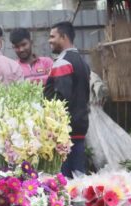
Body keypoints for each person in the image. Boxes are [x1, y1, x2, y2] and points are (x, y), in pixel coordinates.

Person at [44, 21, 90, 178]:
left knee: (64, 178)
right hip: (80, 124)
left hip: (65, 129)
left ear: (63, 37)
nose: (50, 40)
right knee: (78, 174)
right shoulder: (82, 62)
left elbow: (61, 99)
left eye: (52, 36)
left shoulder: (63, 62)